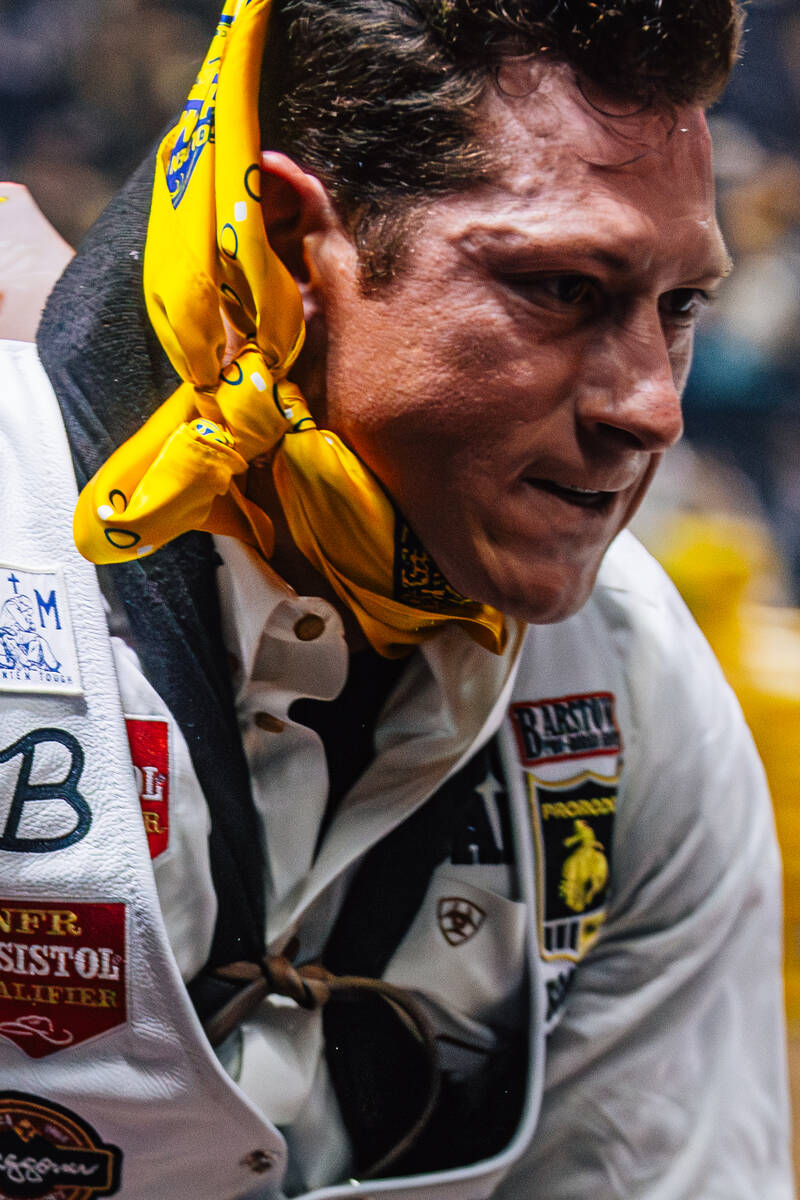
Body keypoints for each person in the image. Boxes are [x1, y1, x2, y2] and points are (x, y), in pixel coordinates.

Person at [0, 1, 793, 1198]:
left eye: (679, 308)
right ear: (288, 239)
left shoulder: (632, 674)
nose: (650, 409)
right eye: (562, 287)